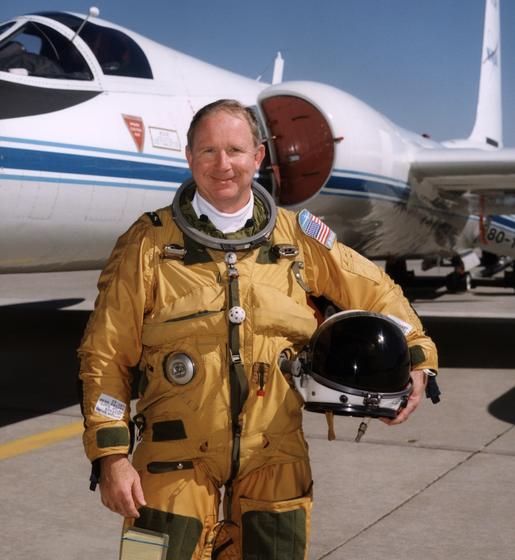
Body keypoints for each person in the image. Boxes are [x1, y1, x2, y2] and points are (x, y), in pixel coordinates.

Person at [78, 99, 438, 560]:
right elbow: (105, 355)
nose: (222, 164)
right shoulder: (147, 244)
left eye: (235, 150)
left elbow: (376, 291)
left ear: (258, 157)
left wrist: (417, 354)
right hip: (172, 459)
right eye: (207, 151)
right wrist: (111, 456)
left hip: (276, 455)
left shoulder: (298, 238)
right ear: (189, 157)